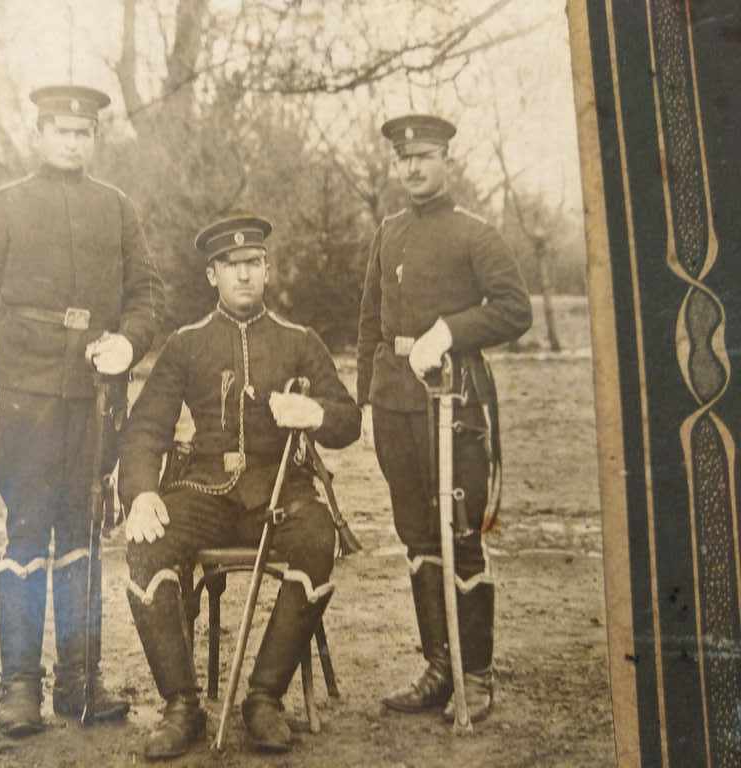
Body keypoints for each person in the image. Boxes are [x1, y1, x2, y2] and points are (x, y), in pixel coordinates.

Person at [0, 84, 164, 736]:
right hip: (24, 394)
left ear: (94, 139)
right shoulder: (3, 207)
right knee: (27, 531)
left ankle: (80, 676)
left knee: (81, 533)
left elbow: (149, 292)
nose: (73, 142)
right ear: (39, 134)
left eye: (83, 133)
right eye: (61, 131)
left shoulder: (117, 208)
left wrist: (128, 338)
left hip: (93, 398)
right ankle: (20, 683)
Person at [119, 215, 361, 758]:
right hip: (201, 492)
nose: (245, 275)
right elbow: (145, 428)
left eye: (254, 263)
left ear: (268, 270)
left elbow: (349, 420)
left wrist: (315, 411)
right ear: (213, 275)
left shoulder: (300, 342)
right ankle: (181, 706)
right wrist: (140, 492)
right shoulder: (187, 345)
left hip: (277, 494)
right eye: (232, 266)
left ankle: (264, 699)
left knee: (317, 538)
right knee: (145, 543)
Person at [356, 114, 532, 724]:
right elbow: (369, 323)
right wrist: (363, 399)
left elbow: (515, 310)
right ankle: (438, 668)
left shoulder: (475, 234)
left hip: (454, 402)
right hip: (395, 401)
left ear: (447, 159)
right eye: (404, 159)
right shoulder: (388, 233)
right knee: (416, 535)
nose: (413, 167)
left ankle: (474, 675)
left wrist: (451, 331)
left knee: (461, 533)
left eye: (424, 156)